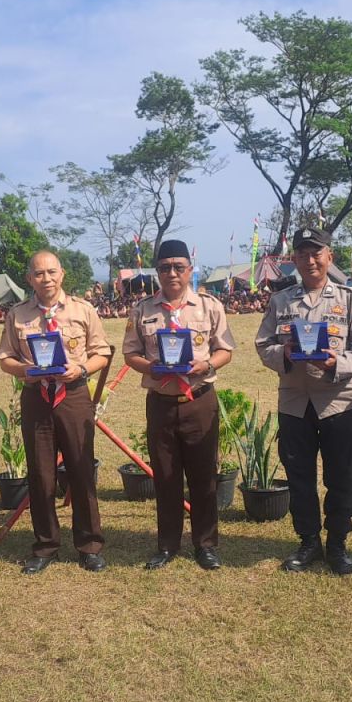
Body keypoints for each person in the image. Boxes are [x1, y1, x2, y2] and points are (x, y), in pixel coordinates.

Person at [254, 228, 352, 574]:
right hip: (295, 403)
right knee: (299, 477)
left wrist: (337, 363)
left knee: (342, 477)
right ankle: (308, 541)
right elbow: (263, 344)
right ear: (294, 259)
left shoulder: (351, 298)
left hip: (340, 401)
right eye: (303, 254)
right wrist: (284, 354)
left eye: (316, 253)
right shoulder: (281, 301)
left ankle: (337, 543)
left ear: (329, 257)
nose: (310, 260)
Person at [0, 250, 111, 574]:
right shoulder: (17, 314)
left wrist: (82, 369)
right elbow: (5, 358)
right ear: (29, 279)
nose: (45, 279)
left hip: (73, 396)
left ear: (62, 274)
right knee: (41, 474)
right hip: (37, 398)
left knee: (81, 470)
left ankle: (89, 545)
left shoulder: (83, 310)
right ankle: (46, 545)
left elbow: (102, 352)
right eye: (38, 273)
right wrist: (25, 370)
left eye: (51, 272)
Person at [123, 240, 235, 570]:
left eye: (178, 267)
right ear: (157, 272)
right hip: (161, 402)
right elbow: (130, 353)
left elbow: (225, 349)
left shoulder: (209, 306)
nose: (171, 273)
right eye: (164, 267)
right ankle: (167, 545)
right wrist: (151, 367)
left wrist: (207, 365)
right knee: (166, 476)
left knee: (204, 476)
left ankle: (206, 545)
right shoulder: (142, 310)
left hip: (199, 400)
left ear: (190, 269)